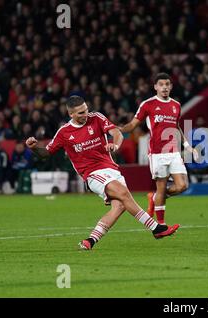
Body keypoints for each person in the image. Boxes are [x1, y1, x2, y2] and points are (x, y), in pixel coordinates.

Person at [26, 95, 179, 250]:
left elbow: (117, 133)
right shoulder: (64, 132)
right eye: (80, 113)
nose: (85, 114)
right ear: (70, 114)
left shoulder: (97, 118)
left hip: (112, 170)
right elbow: (46, 153)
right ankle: (156, 228)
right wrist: (34, 148)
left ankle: (91, 240)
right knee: (123, 193)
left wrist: (116, 145)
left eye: (85, 110)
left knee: (119, 206)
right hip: (92, 174)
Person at [120, 73, 198, 225]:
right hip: (157, 154)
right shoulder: (147, 104)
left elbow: (177, 128)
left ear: (171, 87)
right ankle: (161, 225)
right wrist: (117, 129)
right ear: (155, 87)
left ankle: (154, 198)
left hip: (174, 151)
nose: (164, 87)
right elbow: (133, 124)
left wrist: (189, 147)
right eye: (161, 84)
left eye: (167, 84)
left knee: (183, 186)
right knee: (161, 187)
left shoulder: (176, 105)